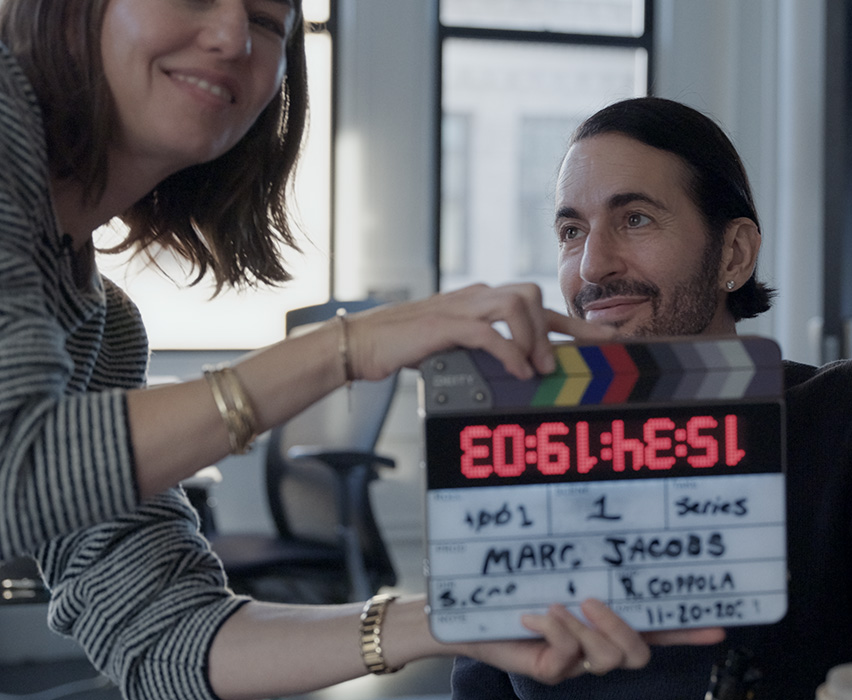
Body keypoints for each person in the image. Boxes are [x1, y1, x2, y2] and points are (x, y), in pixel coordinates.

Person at [0, 4, 725, 699]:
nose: (232, 37)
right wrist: (349, 346)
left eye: (266, 20)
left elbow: (161, 641)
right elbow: (14, 467)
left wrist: (444, 621)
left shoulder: (105, 331)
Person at [449, 96, 852, 700]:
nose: (593, 264)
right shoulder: (510, 446)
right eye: (572, 231)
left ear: (734, 254)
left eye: (635, 218)